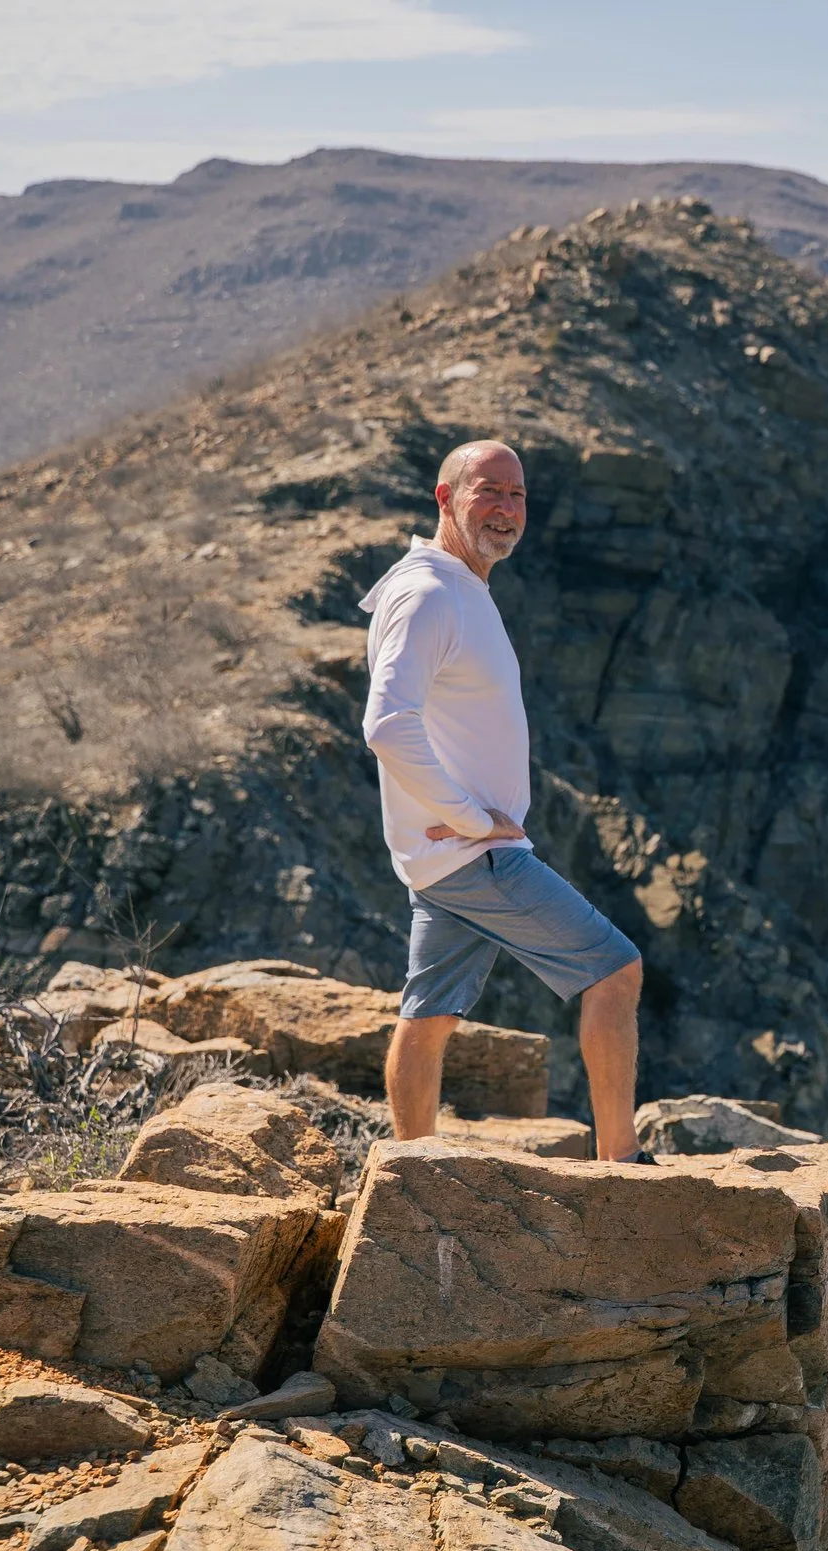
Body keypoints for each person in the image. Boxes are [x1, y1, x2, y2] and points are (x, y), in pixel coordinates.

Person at [358, 439, 649, 1162]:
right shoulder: (430, 591)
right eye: (489, 491)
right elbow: (387, 724)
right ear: (444, 496)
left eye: (517, 496)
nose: (506, 509)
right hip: (476, 857)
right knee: (615, 971)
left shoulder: (454, 586)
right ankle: (624, 1164)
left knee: (426, 1019)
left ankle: (413, 1171)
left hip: (444, 859)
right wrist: (466, 817)